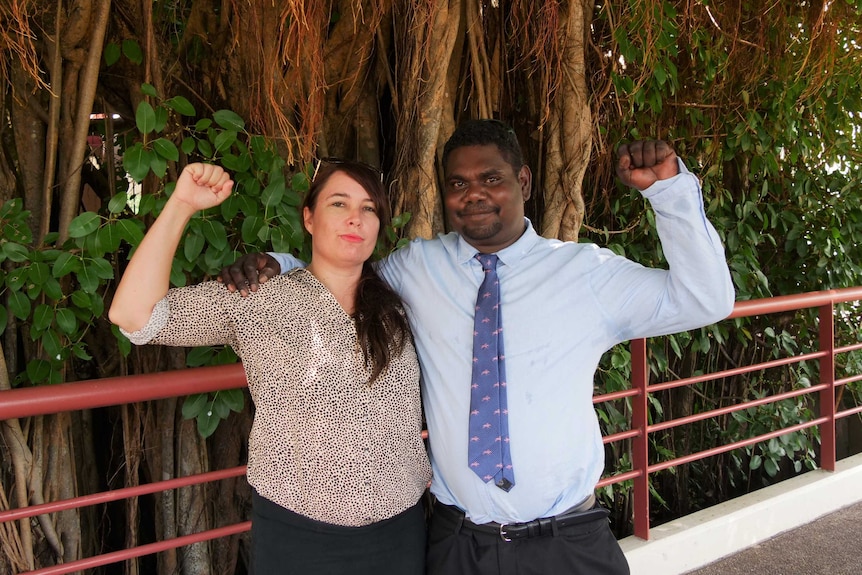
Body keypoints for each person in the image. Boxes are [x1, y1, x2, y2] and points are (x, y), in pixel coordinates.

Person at [219, 119, 736, 575]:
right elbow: (342, 275)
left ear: (524, 182)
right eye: (458, 183)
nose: (474, 194)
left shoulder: (584, 273)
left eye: (492, 178)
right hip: (458, 544)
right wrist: (278, 266)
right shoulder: (418, 269)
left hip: (566, 543)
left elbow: (705, 299)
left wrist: (669, 195)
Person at [109, 160, 431, 574]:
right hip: (299, 532)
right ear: (309, 218)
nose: (356, 218)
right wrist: (182, 204)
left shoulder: (401, 300)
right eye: (339, 203)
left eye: (369, 208)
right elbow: (133, 315)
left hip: (400, 529)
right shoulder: (258, 298)